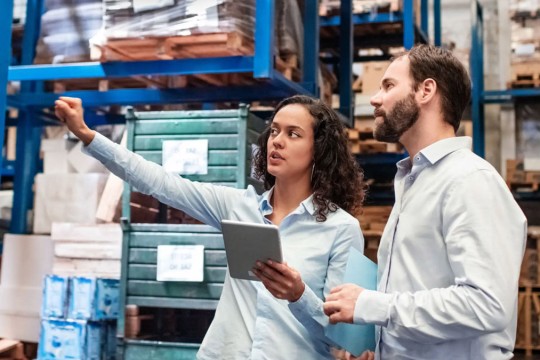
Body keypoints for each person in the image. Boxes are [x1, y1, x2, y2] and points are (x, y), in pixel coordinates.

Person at [54, 94, 367, 359]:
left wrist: (298, 295)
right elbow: (160, 182)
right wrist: (85, 134)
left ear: (319, 151)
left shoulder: (342, 229)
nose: (277, 141)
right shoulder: (238, 206)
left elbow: (342, 336)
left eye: (293, 134)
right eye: (274, 131)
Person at [323, 44, 527, 360]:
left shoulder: (469, 180)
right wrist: (379, 346)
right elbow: (415, 294)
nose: (375, 99)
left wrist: (371, 305)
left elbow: (487, 305)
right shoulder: (414, 180)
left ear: (425, 91)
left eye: (389, 85)